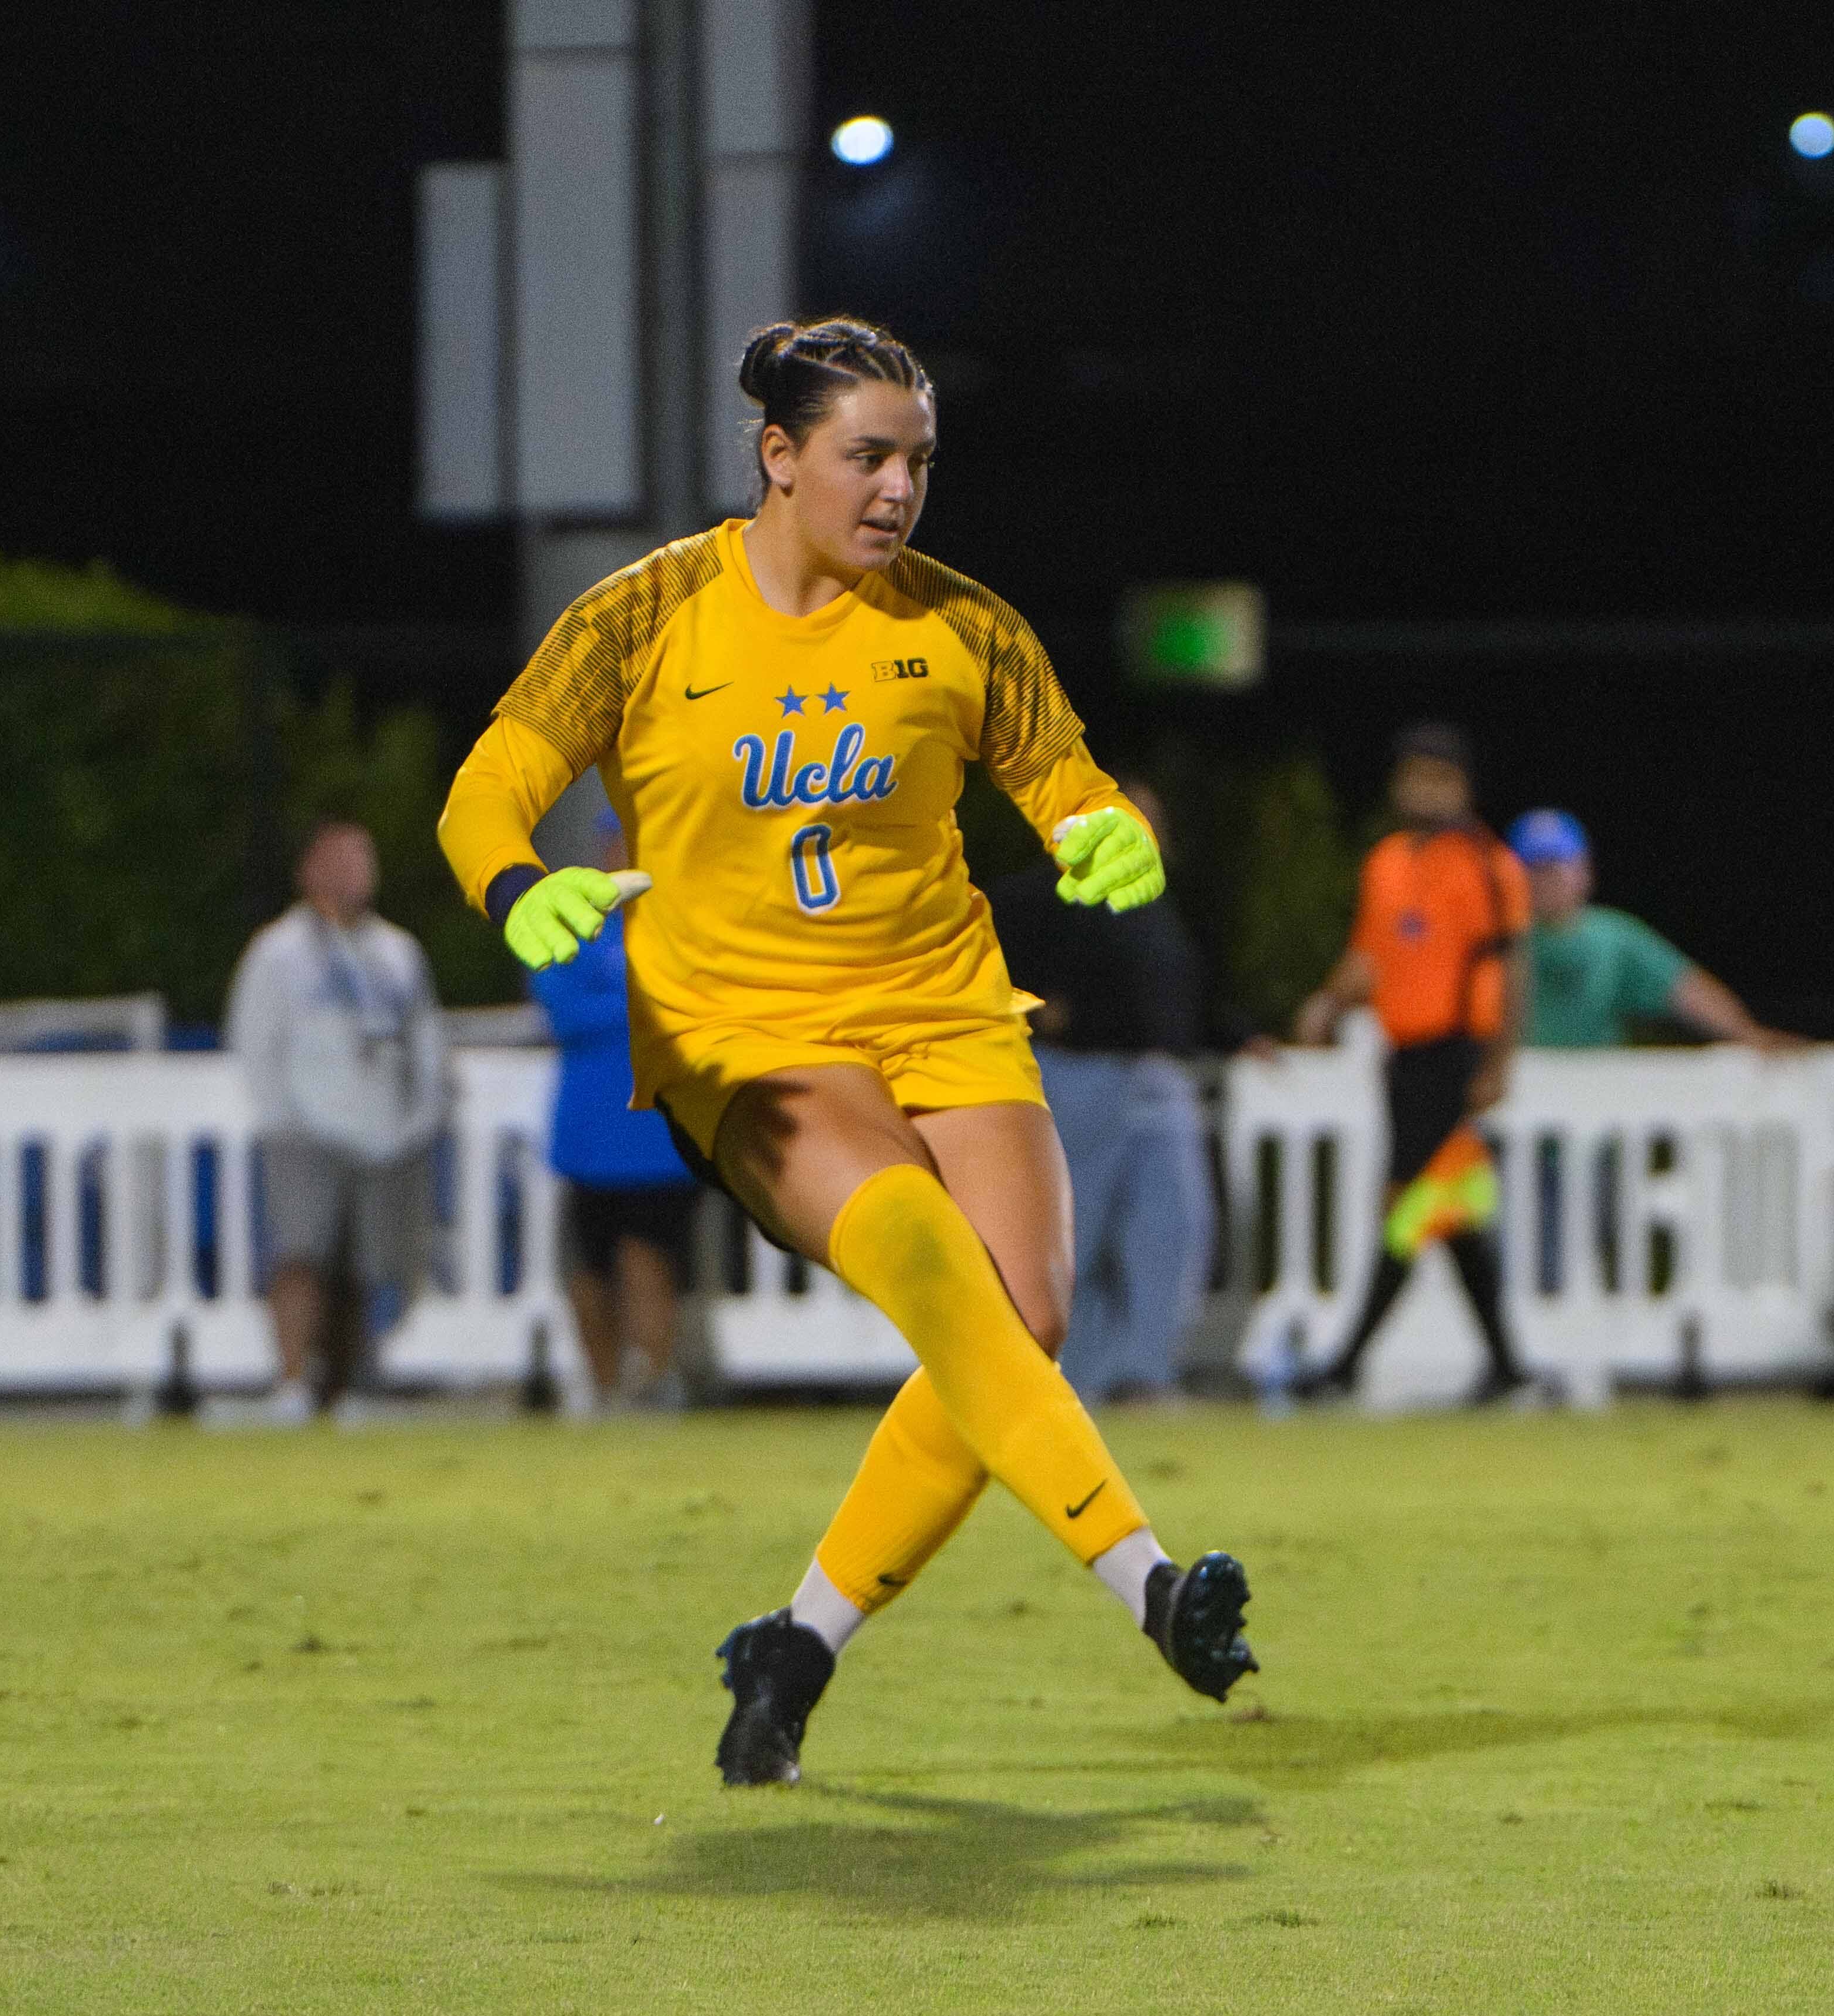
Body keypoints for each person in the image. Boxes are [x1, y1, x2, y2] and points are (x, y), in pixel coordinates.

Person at [437, 314, 1256, 1787]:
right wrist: (514, 883)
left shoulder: (962, 626)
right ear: (777, 457)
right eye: (865, 456)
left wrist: (1104, 837)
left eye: (918, 462)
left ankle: (793, 1646)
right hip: (743, 1034)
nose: (897, 490)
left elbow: (1066, 784)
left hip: (942, 1006)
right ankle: (1147, 1583)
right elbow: (482, 792)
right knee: (936, 1269)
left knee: (1022, 1322)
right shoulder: (643, 614)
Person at [1289, 724, 1533, 1402]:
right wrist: (1328, 1004)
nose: (1424, 789)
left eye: (1439, 777)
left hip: (1455, 1055)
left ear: (1462, 787)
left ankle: (1344, 1366)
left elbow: (1513, 966)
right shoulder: (1386, 862)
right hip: (1403, 1058)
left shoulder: (1489, 863)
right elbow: (1370, 956)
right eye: (1414, 775)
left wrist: (1498, 1063)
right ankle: (1510, 1364)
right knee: (1450, 1217)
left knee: (1406, 1206)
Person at [987, 776, 1214, 1404]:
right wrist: (1030, 1007)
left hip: (1158, 1078)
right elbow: (978, 964)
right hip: (1077, 1074)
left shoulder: (1156, 901)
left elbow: (1183, 989)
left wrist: (1234, 1032)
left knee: (1173, 1228)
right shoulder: (1037, 894)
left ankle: (1146, 1373)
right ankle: (1070, 1379)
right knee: (1073, 1233)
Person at [225, 819, 450, 1421]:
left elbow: (424, 1037)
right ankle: (293, 1381)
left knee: (368, 1265)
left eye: (364, 860)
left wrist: (419, 1117)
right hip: (305, 1129)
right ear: (310, 871)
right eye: (343, 860)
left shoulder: (397, 952)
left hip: (383, 1131)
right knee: (302, 1254)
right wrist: (282, 1117)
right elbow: (255, 1036)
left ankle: (356, 1386)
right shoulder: (280, 951)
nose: (357, 873)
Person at [526, 811, 705, 1411]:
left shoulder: (689, 919)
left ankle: (652, 1380)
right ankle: (604, 1390)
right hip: (589, 1127)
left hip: (661, 1128)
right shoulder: (575, 916)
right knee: (587, 1268)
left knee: (649, 1256)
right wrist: (644, 1002)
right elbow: (563, 1011)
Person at [1508, 808, 1804, 1049]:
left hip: (1596, 1086)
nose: (1546, 878)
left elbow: (1687, 989)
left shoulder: (1614, 936)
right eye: (1534, 867)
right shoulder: (1498, 937)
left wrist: (1749, 1035)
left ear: (1585, 869)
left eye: (1557, 865)